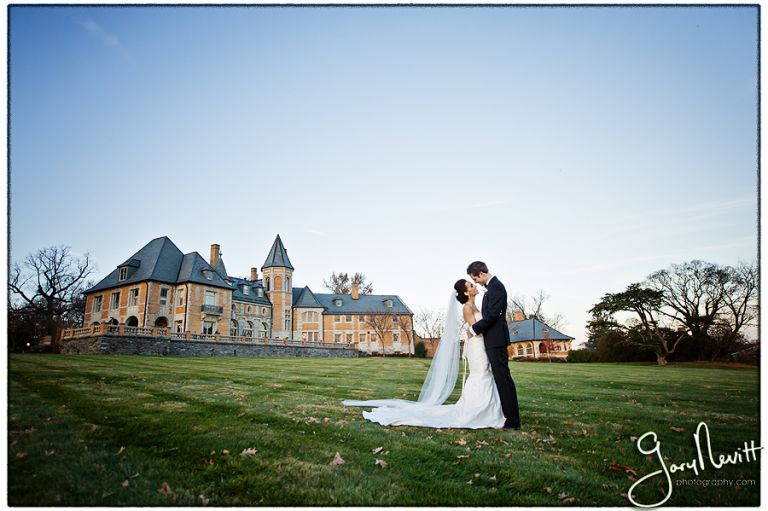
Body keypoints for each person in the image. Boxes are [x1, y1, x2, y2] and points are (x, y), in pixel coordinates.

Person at [341, 279, 506, 429]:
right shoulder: (467, 308)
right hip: (477, 347)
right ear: (465, 292)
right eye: (471, 285)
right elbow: (476, 330)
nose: (474, 285)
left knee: (484, 375)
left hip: (482, 346)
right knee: (480, 374)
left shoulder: (477, 305)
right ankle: (478, 411)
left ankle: (485, 409)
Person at [466, 261, 521, 430]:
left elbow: (492, 317)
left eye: (475, 279)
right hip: (492, 340)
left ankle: (512, 421)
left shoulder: (496, 287)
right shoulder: (492, 288)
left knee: (503, 379)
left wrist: (474, 329)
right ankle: (507, 415)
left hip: (496, 340)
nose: (476, 282)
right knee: (500, 379)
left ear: (481, 273)